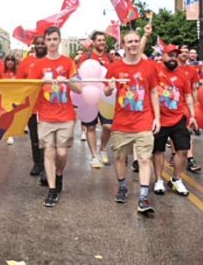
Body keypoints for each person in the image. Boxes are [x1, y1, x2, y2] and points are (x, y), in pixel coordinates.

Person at [105, 31, 160, 214]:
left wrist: (157, 118)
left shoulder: (150, 67)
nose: (134, 44)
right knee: (120, 158)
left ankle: (143, 197)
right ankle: (122, 186)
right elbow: (105, 91)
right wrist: (109, 88)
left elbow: (153, 92)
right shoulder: (114, 68)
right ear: (123, 44)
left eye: (136, 41)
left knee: (144, 158)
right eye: (130, 42)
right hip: (122, 121)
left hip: (144, 120)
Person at [28, 27, 82, 207]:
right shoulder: (37, 65)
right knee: (49, 152)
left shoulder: (68, 63)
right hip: (45, 116)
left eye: (54, 39)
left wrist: (67, 81)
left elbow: (79, 88)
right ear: (45, 42)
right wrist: (40, 83)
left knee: (62, 152)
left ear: (60, 41)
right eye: (48, 39)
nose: (51, 43)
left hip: (65, 115)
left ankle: (59, 174)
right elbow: (30, 89)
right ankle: (52, 190)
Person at [152, 45, 196, 196]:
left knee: (183, 150)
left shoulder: (182, 74)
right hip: (159, 119)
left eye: (175, 55)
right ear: (163, 55)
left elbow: (189, 96)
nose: (172, 58)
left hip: (179, 118)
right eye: (169, 55)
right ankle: (158, 180)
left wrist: (193, 115)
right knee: (158, 151)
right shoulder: (155, 70)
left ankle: (176, 179)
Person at [79, 31, 114, 168]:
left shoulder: (110, 58)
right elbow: (79, 74)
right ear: (93, 42)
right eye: (99, 40)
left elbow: (115, 73)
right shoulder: (86, 57)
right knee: (91, 127)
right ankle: (94, 156)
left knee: (108, 126)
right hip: (89, 96)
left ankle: (103, 149)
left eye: (103, 40)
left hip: (106, 96)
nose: (102, 42)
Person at [17, 36, 47, 179]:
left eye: (43, 43)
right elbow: (19, 83)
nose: (41, 45)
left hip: (49, 107)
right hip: (32, 107)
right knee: (34, 137)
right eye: (38, 44)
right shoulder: (26, 62)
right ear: (34, 46)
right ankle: (37, 163)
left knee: (46, 138)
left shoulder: (51, 61)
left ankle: (47, 167)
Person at [177, 45, 202, 173]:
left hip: (186, 106)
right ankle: (176, 155)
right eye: (182, 52)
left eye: (187, 52)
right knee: (175, 135)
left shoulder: (192, 71)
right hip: (172, 107)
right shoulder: (171, 68)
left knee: (187, 132)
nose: (184, 54)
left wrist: (196, 106)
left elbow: (194, 90)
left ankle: (190, 159)